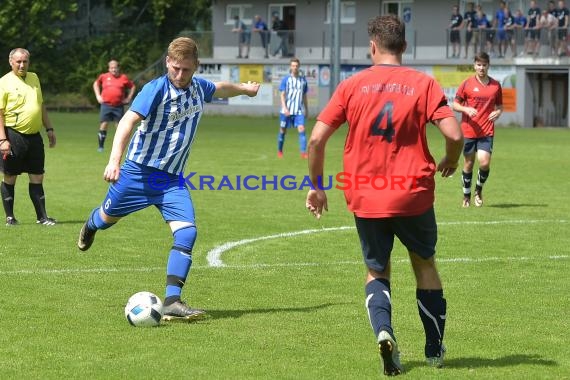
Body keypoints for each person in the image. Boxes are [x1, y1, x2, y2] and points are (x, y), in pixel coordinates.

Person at [305, 15, 463, 375]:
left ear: (372, 46)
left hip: (367, 195)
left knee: (377, 270)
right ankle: (435, 351)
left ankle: (384, 332)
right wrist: (450, 161)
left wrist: (317, 187)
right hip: (413, 194)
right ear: (405, 47)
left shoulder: (350, 86)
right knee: (424, 265)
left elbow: (316, 140)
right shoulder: (423, 84)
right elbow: (454, 135)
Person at [76, 37, 260, 321]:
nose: (179, 75)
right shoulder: (155, 89)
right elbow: (127, 121)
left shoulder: (200, 87)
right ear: (167, 63)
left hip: (171, 180)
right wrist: (114, 161)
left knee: (187, 232)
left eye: (186, 69)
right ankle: (91, 225)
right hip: (137, 173)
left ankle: (173, 300)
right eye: (174, 68)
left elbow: (221, 88)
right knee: (106, 218)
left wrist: (245, 90)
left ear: (196, 67)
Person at [0, 48, 57, 226]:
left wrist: (49, 128)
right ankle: (10, 217)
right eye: (18, 62)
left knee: (37, 176)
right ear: (11, 62)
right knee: (10, 176)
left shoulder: (34, 78)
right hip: (13, 135)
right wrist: (2, 140)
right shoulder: (4, 82)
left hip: (34, 137)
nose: (22, 65)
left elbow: (40, 105)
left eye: (25, 61)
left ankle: (42, 217)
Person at [452, 52, 503, 208]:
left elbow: (500, 105)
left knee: (484, 162)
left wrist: (498, 112)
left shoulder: (495, 85)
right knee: (468, 163)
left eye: (484, 65)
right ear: (474, 65)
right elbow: (455, 104)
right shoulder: (466, 84)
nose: (481, 68)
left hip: (486, 131)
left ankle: (478, 191)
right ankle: (466, 196)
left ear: (488, 66)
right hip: (468, 130)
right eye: (479, 65)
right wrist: (466, 110)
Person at [93, 60, 136, 152]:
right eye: (111, 68)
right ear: (109, 69)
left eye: (115, 67)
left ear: (118, 68)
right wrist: (98, 96)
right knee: (104, 124)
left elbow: (132, 86)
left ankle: (119, 146)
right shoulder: (104, 76)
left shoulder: (123, 77)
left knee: (119, 126)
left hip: (118, 106)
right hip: (106, 105)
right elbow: (96, 84)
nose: (113, 70)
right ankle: (101, 146)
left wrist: (128, 97)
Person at [277, 58, 308, 159]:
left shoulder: (303, 80)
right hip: (286, 111)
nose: (295, 68)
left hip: (298, 110)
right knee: (282, 131)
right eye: (293, 66)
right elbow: (282, 95)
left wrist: (306, 109)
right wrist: (284, 108)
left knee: (302, 129)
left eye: (296, 66)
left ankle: (303, 153)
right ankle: (280, 151)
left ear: (299, 67)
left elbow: (304, 96)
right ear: (290, 67)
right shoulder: (286, 79)